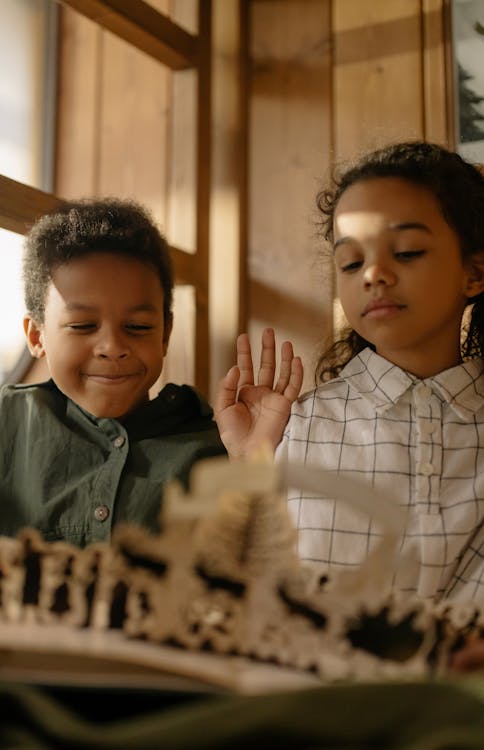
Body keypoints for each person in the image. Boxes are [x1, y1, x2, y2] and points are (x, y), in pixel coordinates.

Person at [215, 141, 484, 670]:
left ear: (474, 273)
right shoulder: (295, 424)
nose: (373, 274)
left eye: (405, 252)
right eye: (351, 260)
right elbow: (237, 595)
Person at [0, 198, 225, 546]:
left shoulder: (211, 446)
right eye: (83, 325)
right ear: (37, 336)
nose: (112, 346)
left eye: (138, 326)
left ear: (165, 334)